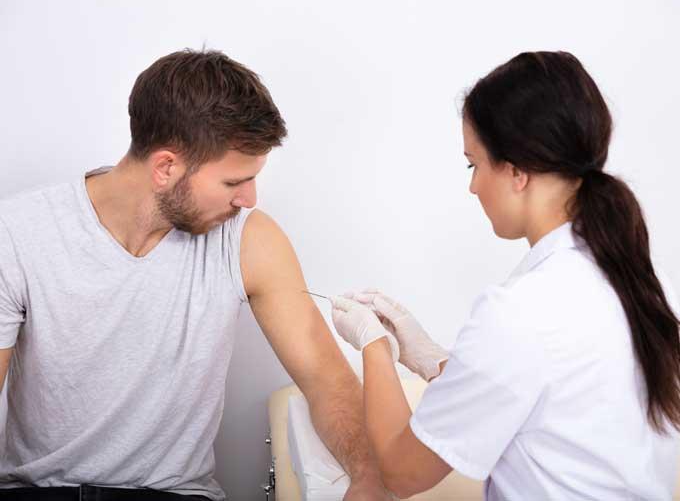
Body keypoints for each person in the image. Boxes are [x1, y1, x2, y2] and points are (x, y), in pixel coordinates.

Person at [0, 49, 390, 500]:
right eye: (233, 182)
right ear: (166, 167)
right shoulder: (20, 233)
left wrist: (369, 478)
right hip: (41, 492)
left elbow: (326, 381)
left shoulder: (249, 240)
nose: (249, 199)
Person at [330, 51, 680, 500]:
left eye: (473, 164)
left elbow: (402, 472)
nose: (472, 186)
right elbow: (543, 400)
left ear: (516, 172)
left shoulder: (521, 311)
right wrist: (430, 359)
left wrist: (374, 345)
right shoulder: (645, 280)